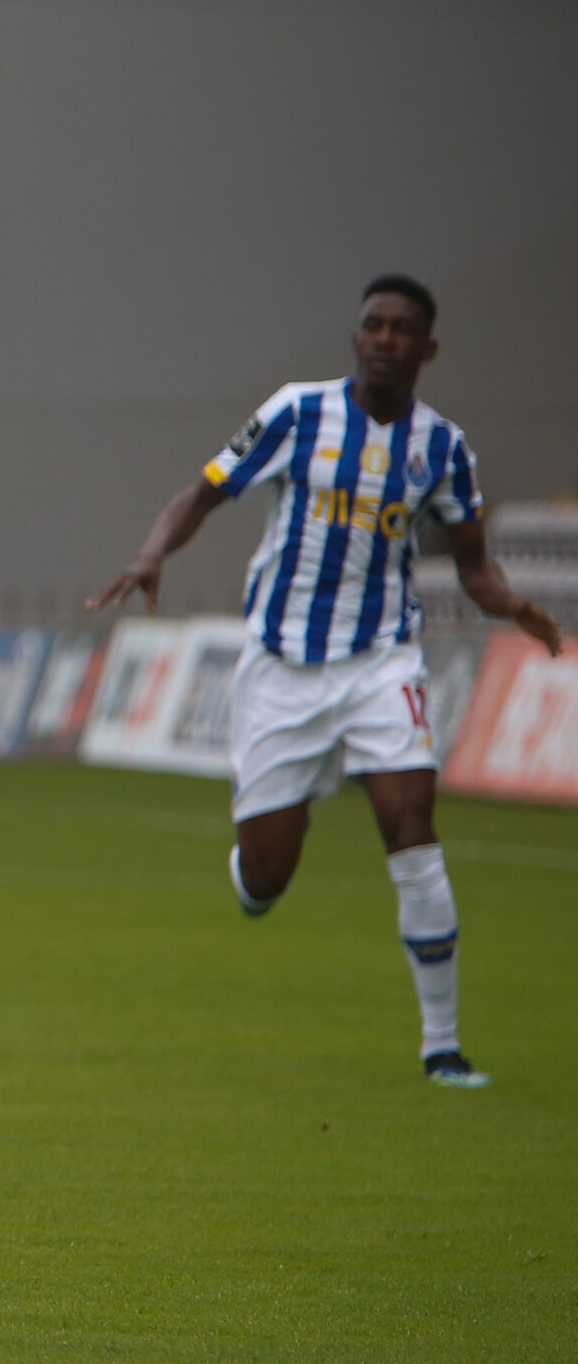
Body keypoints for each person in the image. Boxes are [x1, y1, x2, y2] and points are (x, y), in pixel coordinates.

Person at [89, 275, 562, 1089]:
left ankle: (443, 1047)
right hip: (281, 668)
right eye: (373, 325)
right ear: (356, 338)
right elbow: (203, 492)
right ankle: (272, 839)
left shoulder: (443, 450)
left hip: (382, 661)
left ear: (427, 349)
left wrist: (514, 606)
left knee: (411, 824)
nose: (384, 339)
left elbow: (473, 565)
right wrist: (150, 554)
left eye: (401, 329)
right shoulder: (296, 413)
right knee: (266, 881)